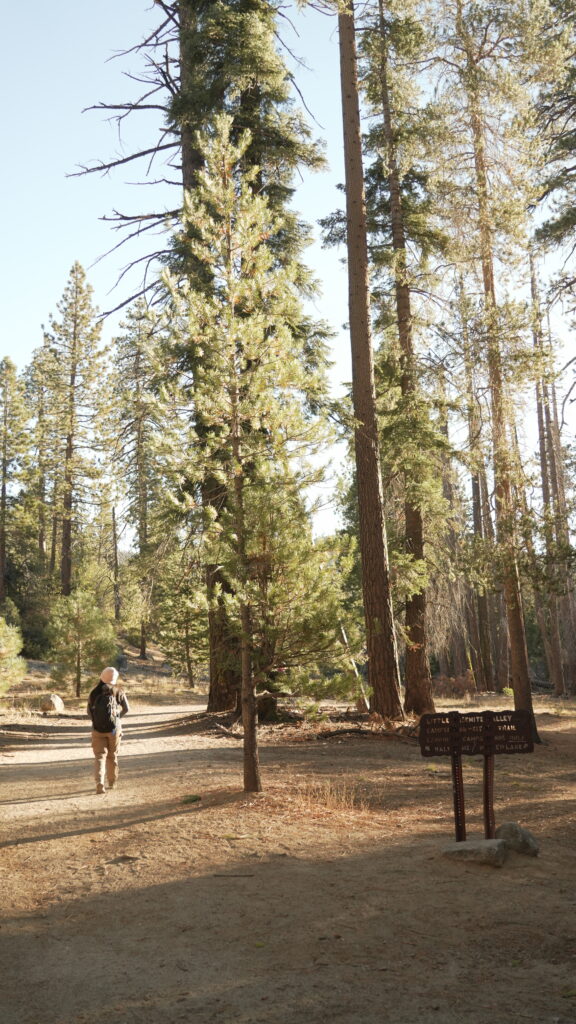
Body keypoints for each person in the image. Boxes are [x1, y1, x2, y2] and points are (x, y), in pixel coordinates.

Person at [87, 667, 130, 794]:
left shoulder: (94, 692)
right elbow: (127, 709)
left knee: (100, 757)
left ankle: (100, 784)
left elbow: (89, 711)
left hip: (97, 730)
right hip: (114, 730)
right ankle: (112, 782)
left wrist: (96, 722)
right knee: (112, 756)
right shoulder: (118, 691)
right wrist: (117, 719)